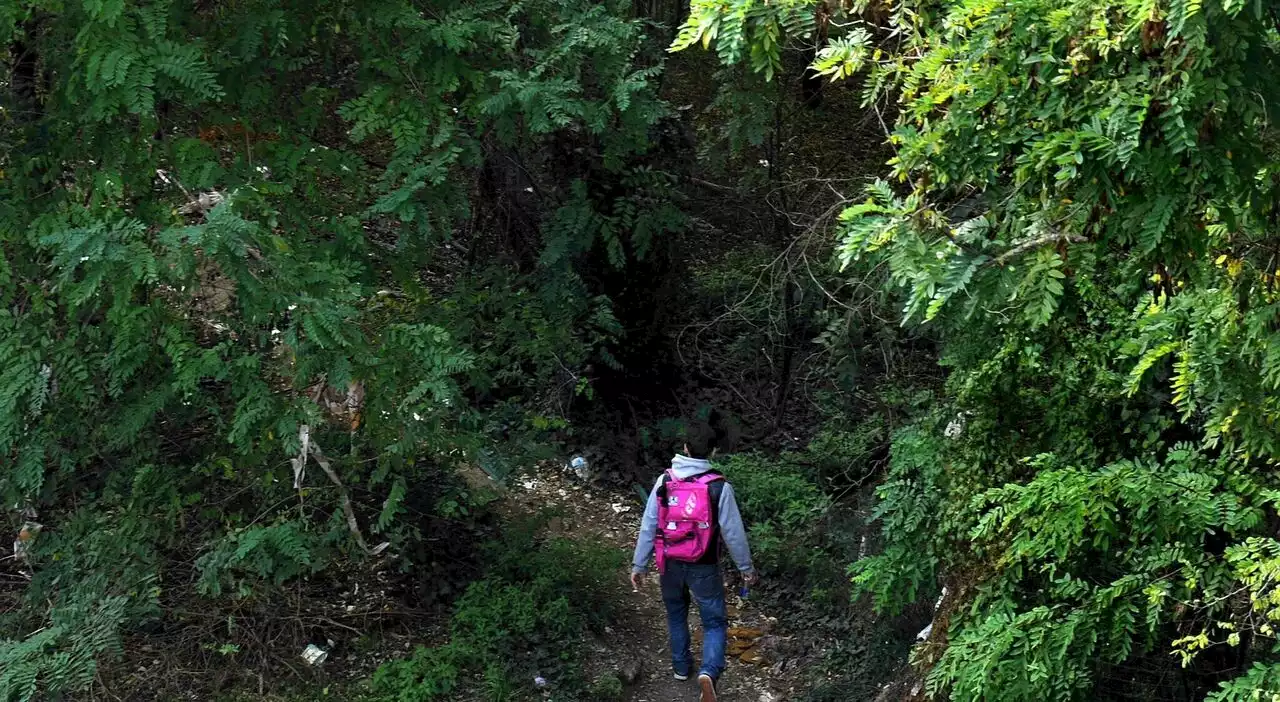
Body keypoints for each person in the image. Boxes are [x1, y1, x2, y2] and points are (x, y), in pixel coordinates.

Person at [630, 420, 757, 702]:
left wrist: (639, 565)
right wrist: (746, 569)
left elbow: (649, 525)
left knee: (676, 614)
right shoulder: (719, 487)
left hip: (670, 562)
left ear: (684, 447)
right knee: (714, 622)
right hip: (704, 565)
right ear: (712, 451)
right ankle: (709, 672)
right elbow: (733, 534)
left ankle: (680, 667)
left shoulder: (665, 481)